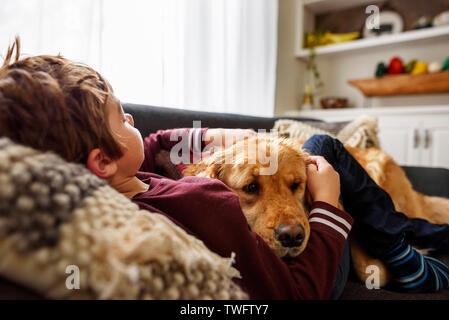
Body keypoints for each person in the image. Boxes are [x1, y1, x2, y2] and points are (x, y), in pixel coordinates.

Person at [0, 38, 447, 299]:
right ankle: (407, 252)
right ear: (101, 160)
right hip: (321, 269)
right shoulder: (200, 197)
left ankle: (415, 233)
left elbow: (158, 144)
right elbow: (298, 292)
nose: (134, 120)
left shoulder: (127, 185)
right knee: (322, 145)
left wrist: (243, 143)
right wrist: (326, 201)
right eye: (123, 118)